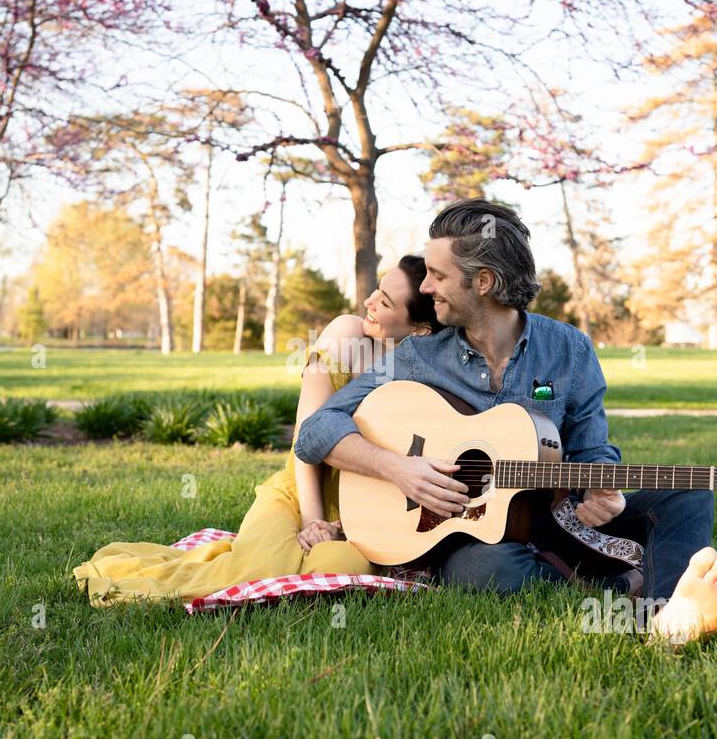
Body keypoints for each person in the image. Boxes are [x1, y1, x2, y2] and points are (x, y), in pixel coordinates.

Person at [294, 200, 717, 643]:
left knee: (690, 492)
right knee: (489, 569)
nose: (425, 287)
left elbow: (591, 451)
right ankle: (618, 586)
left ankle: (669, 615)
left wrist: (606, 495)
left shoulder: (570, 350)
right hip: (476, 536)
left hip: (559, 515)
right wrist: (398, 468)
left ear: (483, 282)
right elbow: (315, 430)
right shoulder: (416, 357)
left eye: (438, 275)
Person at [73, 255, 445, 605]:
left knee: (350, 567)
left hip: (363, 508)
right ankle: (148, 577)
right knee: (260, 566)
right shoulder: (347, 334)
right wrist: (312, 522)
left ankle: (289, 556)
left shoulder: (424, 367)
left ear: (420, 329)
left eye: (384, 302)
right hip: (299, 492)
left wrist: (345, 526)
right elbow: (306, 438)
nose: (368, 301)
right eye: (375, 291)